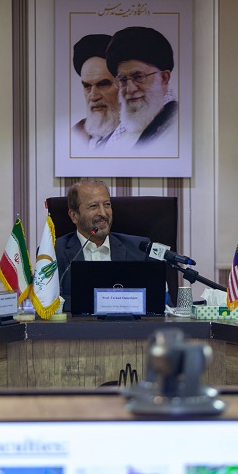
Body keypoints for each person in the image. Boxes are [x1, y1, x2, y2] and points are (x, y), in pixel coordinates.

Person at [54, 179, 149, 309]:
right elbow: (45, 304)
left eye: (107, 204)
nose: (103, 213)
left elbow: (161, 302)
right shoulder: (54, 253)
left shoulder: (140, 250)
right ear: (74, 216)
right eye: (93, 206)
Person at [103, 26, 178, 154]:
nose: (130, 89)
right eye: (123, 80)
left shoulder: (177, 124)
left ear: (164, 78)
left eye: (138, 77)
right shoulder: (111, 138)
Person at [71, 34, 121, 151]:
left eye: (103, 84)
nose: (93, 96)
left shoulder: (147, 135)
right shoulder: (74, 135)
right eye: (87, 86)